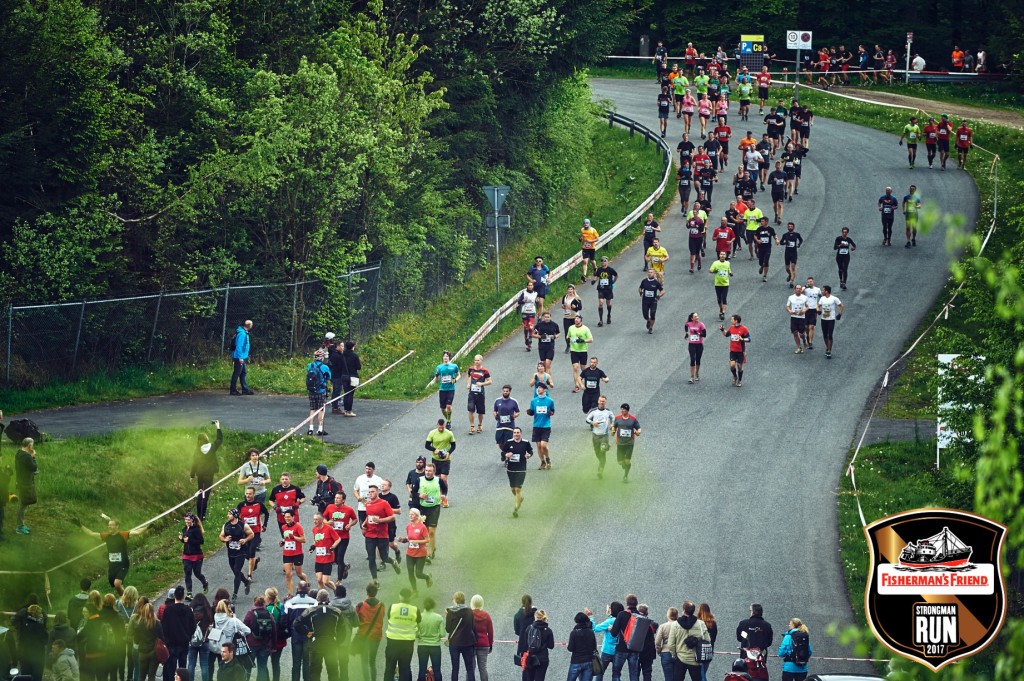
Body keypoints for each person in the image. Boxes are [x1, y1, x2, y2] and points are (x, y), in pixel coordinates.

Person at [74, 518, 147, 596]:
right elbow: (91, 533)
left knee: (117, 584)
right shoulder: (106, 536)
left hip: (123, 565)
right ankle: (127, 598)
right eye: (108, 525)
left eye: (111, 525)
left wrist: (148, 527)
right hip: (112, 566)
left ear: (117, 526)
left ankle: (127, 601)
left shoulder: (124, 534)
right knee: (117, 585)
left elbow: (137, 532)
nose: (109, 527)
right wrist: (80, 526)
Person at [408, 463, 445, 561]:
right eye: (426, 471)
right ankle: (431, 547)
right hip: (423, 508)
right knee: (425, 531)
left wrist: (443, 495)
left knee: (432, 532)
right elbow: (413, 493)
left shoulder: (438, 480)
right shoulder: (420, 480)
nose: (428, 472)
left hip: (435, 507)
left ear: (434, 471)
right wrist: (419, 495)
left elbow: (444, 489)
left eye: (430, 471)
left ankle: (430, 553)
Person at [362, 484, 400, 579]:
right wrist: (364, 523)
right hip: (370, 535)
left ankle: (393, 561)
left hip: (382, 535)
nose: (370, 494)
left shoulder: (384, 503)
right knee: (371, 559)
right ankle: (375, 580)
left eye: (373, 491)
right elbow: (369, 516)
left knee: (384, 558)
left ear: (377, 492)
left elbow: (392, 517)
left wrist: (380, 520)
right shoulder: (368, 504)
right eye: (369, 492)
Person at [667, 601, 710, 681]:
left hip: (680, 658)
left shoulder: (675, 625)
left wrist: (674, 655)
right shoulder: (701, 624)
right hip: (695, 659)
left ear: (683, 610)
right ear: (693, 611)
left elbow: (670, 644)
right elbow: (708, 640)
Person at [382, 588, 419, 681]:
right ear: (410, 597)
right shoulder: (415, 610)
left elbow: (389, 617)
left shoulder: (392, 607)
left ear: (400, 596)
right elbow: (418, 621)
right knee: (405, 668)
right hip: (407, 643)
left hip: (392, 642)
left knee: (389, 668)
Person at [218, 508, 255, 599]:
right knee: (235, 572)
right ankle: (246, 582)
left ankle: (235, 594)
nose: (227, 516)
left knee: (237, 570)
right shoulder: (226, 525)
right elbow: (221, 536)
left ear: (235, 515)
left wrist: (245, 540)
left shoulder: (243, 525)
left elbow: (252, 534)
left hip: (241, 552)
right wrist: (225, 539)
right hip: (231, 552)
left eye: (229, 514)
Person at [190, 421, 222, 521]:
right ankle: (202, 517)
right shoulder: (212, 447)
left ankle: (199, 516)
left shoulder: (197, 450)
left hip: (200, 475)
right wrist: (218, 427)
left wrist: (192, 475)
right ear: (206, 439)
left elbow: (194, 463)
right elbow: (219, 439)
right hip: (209, 475)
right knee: (206, 496)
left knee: (200, 495)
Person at [162, 587, 194, 681]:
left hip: (171, 643)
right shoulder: (188, 610)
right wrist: (188, 636)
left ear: (174, 596)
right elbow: (193, 626)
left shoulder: (168, 610)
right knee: (182, 667)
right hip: (184, 642)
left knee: (171, 667)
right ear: (183, 597)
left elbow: (164, 626)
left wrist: (167, 639)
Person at [500, 427, 533, 517]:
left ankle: (516, 509)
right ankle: (520, 498)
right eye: (515, 432)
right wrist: (506, 455)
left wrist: (528, 455)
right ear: (513, 434)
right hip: (511, 469)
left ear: (521, 433)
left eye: (518, 432)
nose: (516, 434)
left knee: (518, 489)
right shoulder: (508, 443)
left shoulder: (525, 443)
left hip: (521, 469)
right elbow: (502, 453)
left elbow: (530, 451)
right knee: (513, 489)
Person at [736, 605, 773, 681]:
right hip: (760, 657)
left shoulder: (743, 623)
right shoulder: (767, 625)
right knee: (760, 675)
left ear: (752, 612)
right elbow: (769, 642)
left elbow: (739, 638)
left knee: (744, 677)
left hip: (745, 656)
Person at [398, 509, 432, 592]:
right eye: (409, 514)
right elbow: (409, 539)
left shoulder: (422, 527)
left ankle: (427, 577)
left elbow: (428, 540)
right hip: (410, 553)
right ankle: (414, 590)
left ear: (417, 516)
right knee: (410, 572)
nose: (410, 516)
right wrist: (402, 540)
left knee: (418, 574)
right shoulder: (408, 526)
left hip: (420, 553)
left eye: (412, 514)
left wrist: (418, 541)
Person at [128, 602, 163, 681]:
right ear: (152, 611)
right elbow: (162, 638)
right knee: (151, 676)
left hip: (142, 652)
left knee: (141, 675)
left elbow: (136, 639)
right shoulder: (157, 624)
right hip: (154, 653)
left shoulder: (138, 624)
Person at [424, 419, 456, 505]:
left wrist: (448, 453)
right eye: (439, 426)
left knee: (444, 479)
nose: (441, 428)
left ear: (444, 425)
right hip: (436, 459)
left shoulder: (449, 433)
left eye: (442, 426)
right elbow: (427, 445)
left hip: (446, 459)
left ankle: (444, 497)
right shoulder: (432, 433)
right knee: (438, 479)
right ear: (437, 425)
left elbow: (453, 445)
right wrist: (434, 450)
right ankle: (440, 496)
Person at [446, 593, 476, 681]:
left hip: (454, 643)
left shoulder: (450, 612)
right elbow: (472, 627)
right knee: (469, 669)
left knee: (455, 669)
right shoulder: (469, 611)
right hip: (467, 643)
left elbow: (448, 629)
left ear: (455, 600)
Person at [179, 512, 209, 599]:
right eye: (185, 520)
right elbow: (185, 541)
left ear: (192, 520)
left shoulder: (196, 529)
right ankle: (189, 593)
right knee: (187, 573)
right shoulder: (184, 529)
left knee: (197, 573)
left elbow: (201, 541)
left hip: (196, 555)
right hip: (186, 555)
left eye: (188, 520)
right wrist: (181, 539)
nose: (187, 521)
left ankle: (205, 583)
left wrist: (190, 540)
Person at [518, 609, 554, 681]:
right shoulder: (548, 631)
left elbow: (525, 644)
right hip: (543, 658)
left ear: (535, 617)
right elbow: (551, 646)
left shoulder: (529, 628)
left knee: (529, 678)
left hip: (530, 657)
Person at [13, 436, 38, 535]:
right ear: (30, 445)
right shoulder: (27, 456)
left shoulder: (19, 453)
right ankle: (20, 527)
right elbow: (34, 468)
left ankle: (21, 524)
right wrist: (33, 456)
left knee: (23, 504)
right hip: (25, 483)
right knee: (23, 505)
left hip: (20, 481)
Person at [585, 396, 614, 479]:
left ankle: (600, 470)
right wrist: (592, 422)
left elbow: (613, 418)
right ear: (598, 401)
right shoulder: (594, 411)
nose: (602, 403)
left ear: (605, 402)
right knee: (598, 453)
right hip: (595, 435)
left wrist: (612, 425)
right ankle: (601, 463)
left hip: (604, 435)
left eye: (603, 401)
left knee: (603, 449)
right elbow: (587, 419)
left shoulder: (608, 411)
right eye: (600, 401)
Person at [528, 383, 556, 470]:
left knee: (543, 445)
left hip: (546, 426)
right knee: (539, 446)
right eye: (538, 388)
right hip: (536, 426)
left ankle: (547, 458)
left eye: (540, 388)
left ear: (544, 390)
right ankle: (542, 462)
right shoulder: (533, 401)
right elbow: (532, 411)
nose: (538, 389)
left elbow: (552, 411)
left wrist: (550, 413)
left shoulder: (550, 401)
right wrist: (530, 412)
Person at [187, 594, 214, 681]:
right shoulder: (208, 611)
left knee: (191, 664)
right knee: (204, 665)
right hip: (205, 641)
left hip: (193, 641)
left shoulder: (190, 611)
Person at [415, 597, 444, 681]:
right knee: (437, 670)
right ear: (433, 606)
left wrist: (420, 635)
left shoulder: (419, 617)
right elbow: (442, 634)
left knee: (422, 669)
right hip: (435, 646)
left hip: (422, 645)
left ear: (423, 606)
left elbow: (416, 633)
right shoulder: (438, 617)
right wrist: (436, 635)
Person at [305, 350, 332, 436]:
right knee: (321, 410)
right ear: (322, 358)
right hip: (321, 391)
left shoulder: (310, 365)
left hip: (311, 391)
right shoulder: (324, 367)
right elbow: (329, 377)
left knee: (312, 409)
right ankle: (320, 429)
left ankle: (310, 429)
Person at [612, 404, 641, 482]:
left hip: (629, 443)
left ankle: (625, 476)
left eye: (623, 409)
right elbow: (614, 427)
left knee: (627, 460)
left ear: (627, 410)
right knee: (620, 462)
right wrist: (613, 431)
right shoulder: (617, 418)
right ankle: (625, 465)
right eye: (621, 409)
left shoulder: (633, 419)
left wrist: (638, 432)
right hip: (620, 443)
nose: (621, 410)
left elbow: (638, 428)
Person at [720, 314, 751, 387]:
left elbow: (749, 339)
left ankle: (739, 380)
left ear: (736, 321)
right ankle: (735, 376)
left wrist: (742, 339)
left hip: (740, 351)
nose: (731, 320)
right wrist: (722, 330)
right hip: (733, 350)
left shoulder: (744, 329)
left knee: (739, 366)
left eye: (732, 319)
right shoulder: (731, 327)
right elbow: (726, 334)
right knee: (732, 365)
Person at [333, 340, 361, 417]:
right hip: (352, 376)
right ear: (352, 347)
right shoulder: (355, 356)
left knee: (346, 393)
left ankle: (345, 410)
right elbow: (359, 367)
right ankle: (349, 411)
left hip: (344, 376)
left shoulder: (342, 355)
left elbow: (340, 366)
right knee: (350, 394)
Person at [465, 355, 492, 434]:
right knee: (470, 409)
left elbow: (490, 381)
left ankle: (480, 425)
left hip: (480, 393)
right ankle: (472, 426)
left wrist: (482, 383)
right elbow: (468, 376)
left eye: (478, 360)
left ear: (481, 361)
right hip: (472, 393)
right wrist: (468, 384)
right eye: (475, 360)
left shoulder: (485, 371)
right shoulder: (471, 369)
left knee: (480, 411)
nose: (476, 362)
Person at [433, 351, 461, 427]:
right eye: (444, 356)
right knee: (443, 408)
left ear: (449, 358)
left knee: (448, 406)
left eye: (447, 357)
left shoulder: (454, 366)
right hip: (442, 389)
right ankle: (449, 419)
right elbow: (436, 381)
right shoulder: (439, 367)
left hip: (451, 389)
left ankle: (448, 422)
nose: (445, 358)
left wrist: (455, 380)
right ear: (442, 358)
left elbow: (459, 375)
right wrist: (436, 376)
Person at [566, 315, 594, 388]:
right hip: (574, 350)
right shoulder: (571, 328)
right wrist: (569, 339)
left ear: (581, 320)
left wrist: (583, 340)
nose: (576, 320)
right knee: (575, 367)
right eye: (575, 318)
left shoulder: (585, 329)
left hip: (583, 350)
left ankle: (584, 381)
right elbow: (567, 336)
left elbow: (591, 339)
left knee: (583, 369)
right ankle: (577, 385)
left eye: (578, 318)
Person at [816, 286, 843, 359]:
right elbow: (818, 306)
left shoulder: (834, 298)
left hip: (831, 319)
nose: (822, 291)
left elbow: (841, 305)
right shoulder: (822, 298)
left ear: (826, 291)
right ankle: (827, 348)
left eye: (823, 290)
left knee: (829, 335)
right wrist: (818, 310)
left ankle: (829, 351)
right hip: (823, 319)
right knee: (825, 335)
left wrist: (840, 314)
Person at [471, 596, 493, 681]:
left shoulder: (469, 614)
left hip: (471, 643)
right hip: (484, 644)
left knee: (470, 669)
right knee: (483, 668)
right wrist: (490, 644)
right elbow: (490, 632)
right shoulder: (486, 616)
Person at [353, 462, 383, 526]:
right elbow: (355, 490)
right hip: (362, 507)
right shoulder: (360, 478)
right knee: (363, 526)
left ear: (373, 470)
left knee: (372, 525)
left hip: (374, 507)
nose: (367, 471)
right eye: (366, 469)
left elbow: (382, 492)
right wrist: (358, 497)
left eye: (369, 469)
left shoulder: (378, 480)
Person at [230, 320, 254, 395]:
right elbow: (239, 346)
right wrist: (240, 358)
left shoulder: (243, 333)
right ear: (249, 325)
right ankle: (233, 390)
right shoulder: (242, 334)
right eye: (251, 325)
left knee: (243, 373)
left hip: (242, 356)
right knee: (237, 373)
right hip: (239, 357)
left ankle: (245, 389)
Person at [654, 608, 678, 681]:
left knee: (668, 678)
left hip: (666, 652)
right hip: (678, 653)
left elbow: (657, 641)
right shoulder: (680, 626)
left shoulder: (663, 626)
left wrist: (659, 651)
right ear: (677, 615)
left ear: (668, 615)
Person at [708, 252, 732, 322]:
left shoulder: (727, 263)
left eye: (724, 254)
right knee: (719, 298)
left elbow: (728, 269)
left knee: (724, 298)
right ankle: (721, 308)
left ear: (726, 256)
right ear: (719, 255)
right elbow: (710, 270)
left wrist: (730, 273)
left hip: (725, 284)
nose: (722, 256)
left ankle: (723, 313)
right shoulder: (715, 263)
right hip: (717, 284)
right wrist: (713, 271)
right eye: (721, 254)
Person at [594, 256, 618, 327]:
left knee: (608, 303)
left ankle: (609, 315)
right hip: (601, 289)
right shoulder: (599, 269)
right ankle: (601, 320)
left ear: (607, 262)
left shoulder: (610, 270)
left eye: (605, 261)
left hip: (608, 289)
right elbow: (597, 276)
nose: (603, 262)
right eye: (602, 261)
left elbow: (616, 275)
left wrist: (613, 282)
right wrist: (594, 281)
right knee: (601, 303)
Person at [638, 269, 665, 335]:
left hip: (653, 301)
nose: (650, 273)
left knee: (653, 313)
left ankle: (650, 328)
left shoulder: (656, 282)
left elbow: (663, 290)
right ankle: (648, 320)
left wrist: (659, 296)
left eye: (651, 272)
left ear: (654, 274)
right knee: (645, 315)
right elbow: (640, 288)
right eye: (649, 272)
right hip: (645, 301)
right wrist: (640, 292)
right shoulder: (644, 281)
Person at [785, 285, 809, 354]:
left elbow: (808, 307)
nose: (798, 290)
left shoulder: (804, 297)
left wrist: (804, 311)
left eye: (799, 289)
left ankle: (804, 340)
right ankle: (799, 347)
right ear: (795, 290)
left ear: (801, 290)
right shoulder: (791, 297)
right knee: (795, 333)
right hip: (794, 317)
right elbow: (787, 306)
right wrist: (789, 311)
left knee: (801, 334)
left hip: (801, 317)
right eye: (797, 288)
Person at [684, 313, 707, 383]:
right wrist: (686, 332)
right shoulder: (689, 323)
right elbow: (685, 325)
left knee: (698, 359)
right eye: (695, 316)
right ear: (692, 318)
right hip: (691, 344)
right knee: (692, 359)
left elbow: (704, 335)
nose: (697, 317)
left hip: (699, 345)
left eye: (697, 316)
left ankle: (697, 373)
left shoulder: (701, 324)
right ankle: (692, 376)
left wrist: (698, 333)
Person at [754, 217, 778, 283]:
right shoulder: (759, 229)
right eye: (761, 221)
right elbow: (755, 236)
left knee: (766, 261)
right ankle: (762, 266)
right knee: (761, 262)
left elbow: (774, 235)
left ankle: (765, 276)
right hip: (760, 248)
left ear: (766, 222)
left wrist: (776, 239)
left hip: (767, 248)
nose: (761, 222)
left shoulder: (770, 229)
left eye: (763, 221)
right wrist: (757, 240)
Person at [778, 222, 802, 287]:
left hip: (794, 253)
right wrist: (785, 242)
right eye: (789, 226)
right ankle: (790, 274)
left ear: (793, 227)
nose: (790, 227)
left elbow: (801, 240)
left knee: (793, 268)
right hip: (787, 253)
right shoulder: (785, 235)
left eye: (791, 226)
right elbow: (781, 242)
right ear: (787, 227)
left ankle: (791, 282)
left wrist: (799, 244)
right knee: (787, 268)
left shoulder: (797, 234)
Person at [560, 286, 583, 353]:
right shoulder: (565, 297)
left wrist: (575, 307)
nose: (570, 290)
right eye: (569, 289)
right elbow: (563, 305)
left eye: (571, 289)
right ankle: (568, 345)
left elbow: (580, 307)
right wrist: (563, 307)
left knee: (574, 332)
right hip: (566, 316)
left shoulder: (576, 298)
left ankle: (574, 345)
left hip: (574, 317)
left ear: (573, 290)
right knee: (567, 331)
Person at [518, 281, 540, 351]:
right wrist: (524, 301)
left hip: (532, 312)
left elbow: (537, 302)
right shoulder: (524, 293)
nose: (530, 286)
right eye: (529, 285)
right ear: (527, 286)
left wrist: (537, 301)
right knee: (526, 327)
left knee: (531, 327)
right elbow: (519, 301)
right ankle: (526, 337)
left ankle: (529, 343)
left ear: (533, 286)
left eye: (531, 285)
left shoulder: (536, 293)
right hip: (525, 312)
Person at [801, 278, 821, 350]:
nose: (810, 283)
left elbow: (821, 297)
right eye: (808, 282)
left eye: (811, 281)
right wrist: (806, 286)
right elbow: (799, 292)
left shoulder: (817, 289)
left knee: (811, 327)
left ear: (813, 282)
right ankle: (807, 336)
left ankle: (810, 342)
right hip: (806, 309)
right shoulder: (805, 289)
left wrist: (818, 306)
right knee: (806, 327)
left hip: (813, 310)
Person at [580, 218, 600, 283]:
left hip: (591, 248)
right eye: (584, 223)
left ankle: (595, 268)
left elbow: (597, 239)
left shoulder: (592, 230)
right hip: (585, 248)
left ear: (589, 224)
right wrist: (581, 239)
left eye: (587, 223)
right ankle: (584, 276)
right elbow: (582, 236)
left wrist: (591, 241)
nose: (585, 224)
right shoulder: (582, 230)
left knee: (592, 261)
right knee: (585, 261)